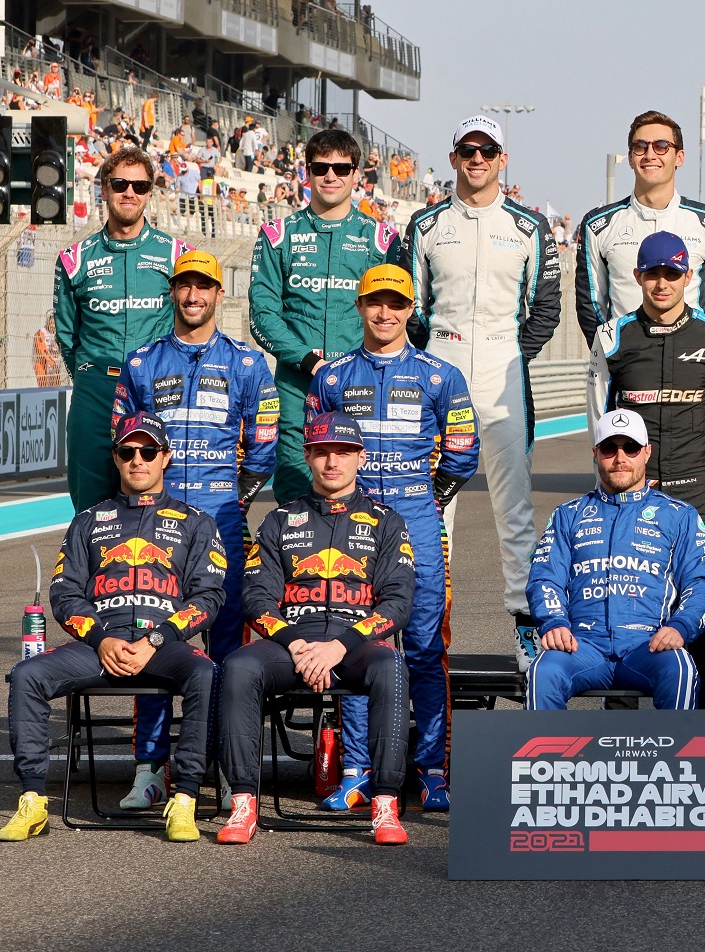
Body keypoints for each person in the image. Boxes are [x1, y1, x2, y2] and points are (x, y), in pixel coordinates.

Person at [0, 413, 224, 842]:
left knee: (206, 673)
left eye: (148, 451)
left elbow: (208, 597)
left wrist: (156, 639)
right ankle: (32, 801)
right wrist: (102, 640)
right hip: (100, 644)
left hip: (165, 644)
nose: (137, 460)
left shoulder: (197, 522)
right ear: (116, 458)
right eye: (127, 451)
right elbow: (65, 593)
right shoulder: (88, 521)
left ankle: (186, 798)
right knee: (28, 675)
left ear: (165, 457)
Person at [110, 250, 278, 810]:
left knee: (229, 643)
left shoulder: (248, 365)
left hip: (222, 518)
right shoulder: (140, 364)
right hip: (151, 522)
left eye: (203, 287)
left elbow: (264, 448)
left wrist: (233, 500)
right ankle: (150, 768)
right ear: (172, 292)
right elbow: (121, 437)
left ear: (218, 294)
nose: (192, 297)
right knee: (149, 636)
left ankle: (229, 771)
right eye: (184, 286)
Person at [307, 264, 478, 811]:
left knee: (426, 651)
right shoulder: (330, 378)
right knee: (362, 646)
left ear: (411, 311)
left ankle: (432, 771)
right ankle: (357, 769)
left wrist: (426, 499)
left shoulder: (440, 376)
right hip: (350, 524)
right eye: (375, 303)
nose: (385, 313)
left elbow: (462, 454)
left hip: (418, 520)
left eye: (397, 304)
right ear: (359, 307)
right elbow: (314, 450)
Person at [400, 115, 560, 674]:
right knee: (432, 508)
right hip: (440, 360)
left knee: (513, 509)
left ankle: (525, 626)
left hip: (503, 364)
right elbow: (408, 309)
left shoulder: (529, 226)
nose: (477, 159)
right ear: (453, 159)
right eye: (467, 150)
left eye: (487, 150)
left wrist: (512, 352)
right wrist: (430, 361)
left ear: (501, 158)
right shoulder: (423, 225)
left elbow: (547, 308)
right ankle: (426, 629)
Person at [217, 411, 414, 845]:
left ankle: (384, 802)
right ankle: (244, 803)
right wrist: (298, 643)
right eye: (322, 452)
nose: (332, 462)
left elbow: (398, 603)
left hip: (356, 644)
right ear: (307, 457)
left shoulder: (387, 521)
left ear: (360, 458)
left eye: (342, 452)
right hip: (293, 644)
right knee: (238, 666)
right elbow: (256, 599)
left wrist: (339, 647)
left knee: (392, 667)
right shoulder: (279, 520)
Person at [587, 230, 705, 695]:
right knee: (629, 607)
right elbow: (599, 420)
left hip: (696, 489)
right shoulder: (611, 336)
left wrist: (703, 482)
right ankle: (624, 725)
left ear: (688, 277)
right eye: (652, 274)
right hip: (629, 496)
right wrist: (622, 482)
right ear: (637, 276)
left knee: (699, 615)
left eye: (672, 274)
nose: (662, 284)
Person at [524, 410, 705, 709]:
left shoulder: (680, 515)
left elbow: (702, 583)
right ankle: (547, 755)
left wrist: (680, 626)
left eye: (631, 448)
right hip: (582, 646)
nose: (620, 457)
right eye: (610, 448)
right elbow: (544, 577)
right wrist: (553, 622)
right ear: (595, 453)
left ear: (647, 452)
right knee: (542, 671)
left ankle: (677, 756)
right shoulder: (568, 514)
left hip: (648, 646)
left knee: (681, 669)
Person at [249, 128, 401, 505]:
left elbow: (397, 314)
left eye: (340, 167)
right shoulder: (277, 235)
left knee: (368, 493)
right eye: (321, 167)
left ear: (355, 174)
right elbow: (262, 314)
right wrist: (308, 360)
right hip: (296, 382)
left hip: (362, 380)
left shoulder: (382, 239)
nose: (330, 176)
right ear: (308, 173)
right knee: (297, 489)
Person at [54, 146, 185, 511]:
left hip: (156, 389)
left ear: (150, 193)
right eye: (120, 184)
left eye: (140, 187)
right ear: (104, 189)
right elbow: (67, 335)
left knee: (160, 504)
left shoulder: (177, 254)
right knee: (91, 505)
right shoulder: (74, 259)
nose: (130, 192)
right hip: (96, 390)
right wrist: (89, 372)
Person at [574, 109, 705, 345]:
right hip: (625, 367)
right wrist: (613, 353)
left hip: (693, 366)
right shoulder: (598, 225)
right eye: (640, 146)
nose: (650, 154)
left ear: (679, 157)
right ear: (630, 158)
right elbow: (590, 305)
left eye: (661, 145)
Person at [32, 314, 61, 387]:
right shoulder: (41, 333)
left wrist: (58, 348)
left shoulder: (58, 334)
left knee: (55, 386)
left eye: (54, 323)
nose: (52, 326)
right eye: (51, 323)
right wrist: (51, 362)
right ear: (47, 323)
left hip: (55, 363)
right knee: (43, 386)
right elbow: (42, 350)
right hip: (42, 362)